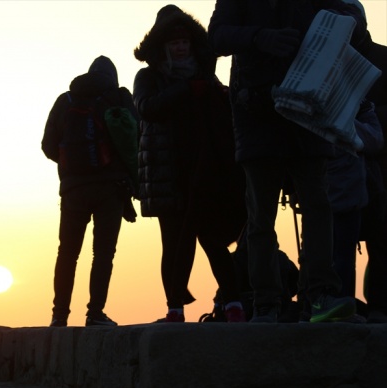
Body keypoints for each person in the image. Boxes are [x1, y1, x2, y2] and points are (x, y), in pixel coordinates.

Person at [208, 0, 365, 323]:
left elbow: (347, 14)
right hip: (257, 112)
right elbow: (216, 37)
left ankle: (320, 295)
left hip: (309, 108)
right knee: (261, 216)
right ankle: (266, 303)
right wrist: (259, 36)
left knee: (319, 207)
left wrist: (348, 20)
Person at [133, 4, 247, 323]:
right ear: (162, 47)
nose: (181, 48)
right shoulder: (148, 77)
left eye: (184, 42)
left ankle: (234, 303)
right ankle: (174, 308)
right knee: (173, 243)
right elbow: (147, 108)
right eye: (174, 43)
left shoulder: (206, 78)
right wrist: (186, 90)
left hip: (204, 171)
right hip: (167, 174)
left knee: (212, 239)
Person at [41, 55, 138, 327]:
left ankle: (59, 315)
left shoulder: (66, 100)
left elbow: (48, 144)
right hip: (111, 189)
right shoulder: (118, 98)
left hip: (73, 190)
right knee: (103, 253)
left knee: (67, 253)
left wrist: (72, 164)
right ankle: (95, 313)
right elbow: (133, 136)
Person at [326, 100, 383, 321]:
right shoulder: (363, 109)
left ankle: (344, 304)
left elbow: (373, 140)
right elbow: (373, 139)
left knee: (343, 252)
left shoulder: (363, 107)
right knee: (339, 252)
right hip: (342, 188)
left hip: (352, 188)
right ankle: (339, 302)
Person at [352, 2, 387, 323]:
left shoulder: (384, 59)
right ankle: (338, 303)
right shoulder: (329, 61)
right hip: (340, 162)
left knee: (380, 238)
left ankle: (378, 304)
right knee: (337, 237)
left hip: (381, 163)